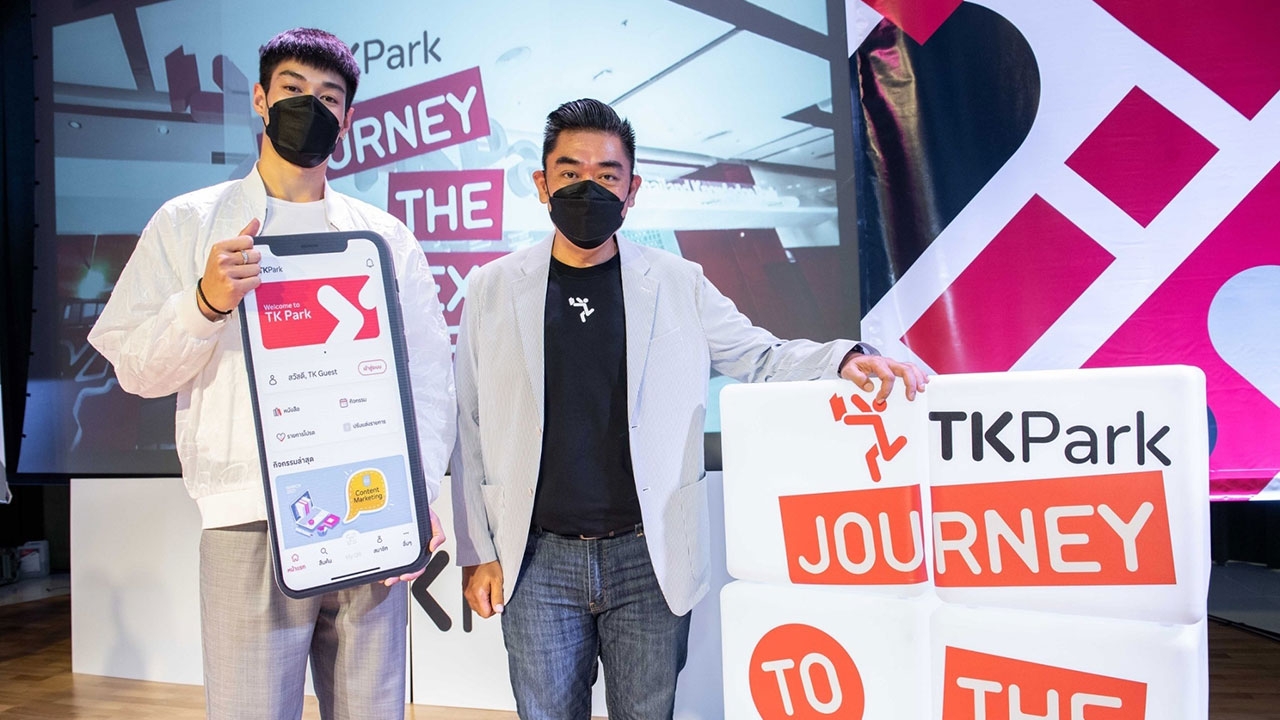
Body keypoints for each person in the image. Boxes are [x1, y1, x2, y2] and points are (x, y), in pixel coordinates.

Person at [451, 98, 927, 720]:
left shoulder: (679, 282)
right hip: (535, 559)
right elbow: (469, 425)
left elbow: (760, 356)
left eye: (607, 175)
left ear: (632, 191)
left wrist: (842, 358)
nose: (587, 188)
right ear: (541, 184)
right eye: (570, 172)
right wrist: (476, 550)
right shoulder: (491, 287)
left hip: (649, 557)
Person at [88, 28, 454, 720]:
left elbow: (430, 379)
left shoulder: (385, 238)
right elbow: (133, 366)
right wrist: (204, 303)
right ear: (259, 99)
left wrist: (418, 493)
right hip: (247, 518)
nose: (309, 107)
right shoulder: (189, 223)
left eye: (328, 97)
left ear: (348, 118)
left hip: (370, 510)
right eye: (292, 90)